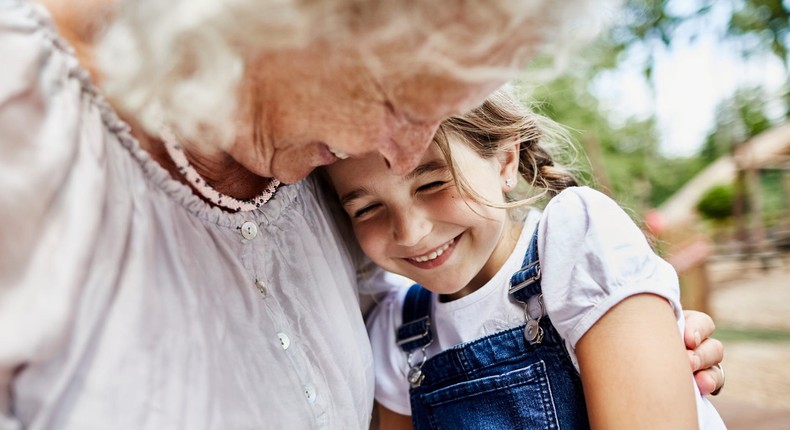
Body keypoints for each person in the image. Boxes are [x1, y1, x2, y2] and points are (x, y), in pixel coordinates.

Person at [0, 0, 724, 428]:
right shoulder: (27, 122)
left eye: (441, 114)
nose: (402, 153)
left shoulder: (306, 148)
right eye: (398, 101)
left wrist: (630, 340)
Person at [323, 87, 726, 429]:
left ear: (506, 161)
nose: (410, 232)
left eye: (431, 182)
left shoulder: (576, 239)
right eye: (366, 209)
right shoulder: (396, 331)